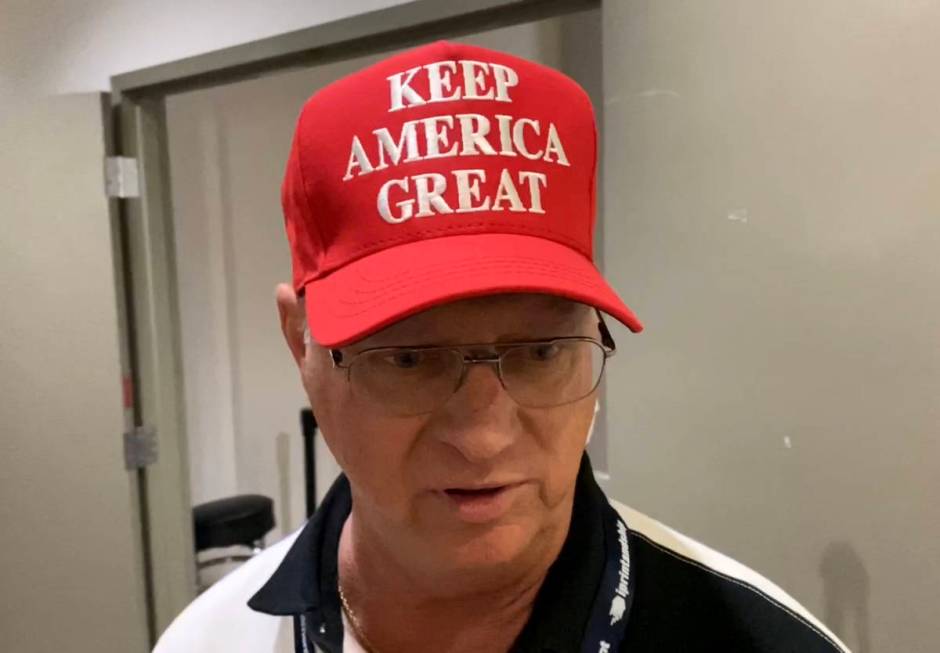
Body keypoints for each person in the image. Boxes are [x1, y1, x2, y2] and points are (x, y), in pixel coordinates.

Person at [154, 41, 851, 653]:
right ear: (299, 344)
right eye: (410, 358)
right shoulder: (207, 642)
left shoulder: (758, 642)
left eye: (541, 351)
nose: (483, 437)